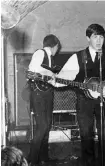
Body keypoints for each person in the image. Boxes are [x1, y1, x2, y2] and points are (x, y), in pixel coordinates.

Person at [53, 23, 105, 166]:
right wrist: (54, 81)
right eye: (95, 37)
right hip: (83, 101)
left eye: (101, 37)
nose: (99, 41)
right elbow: (64, 77)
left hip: (104, 100)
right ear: (88, 38)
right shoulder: (78, 57)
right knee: (86, 137)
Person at [27, 34, 61, 165]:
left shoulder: (50, 59)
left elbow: (50, 78)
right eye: (57, 47)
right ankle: (33, 160)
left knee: (46, 126)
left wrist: (56, 80)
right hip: (39, 94)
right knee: (42, 126)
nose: (57, 50)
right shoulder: (40, 53)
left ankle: (43, 157)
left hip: (47, 93)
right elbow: (32, 70)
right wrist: (50, 74)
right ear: (55, 45)